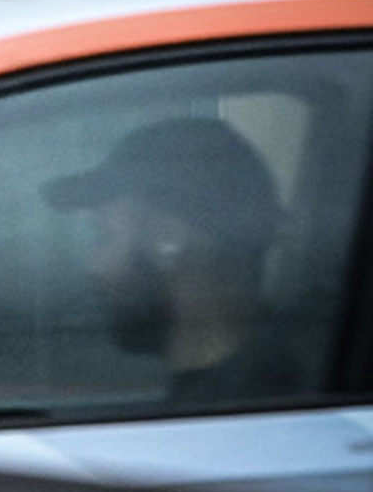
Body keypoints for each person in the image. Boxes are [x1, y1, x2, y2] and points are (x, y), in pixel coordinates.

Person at [45, 116, 302, 405]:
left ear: (170, 240)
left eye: (105, 236)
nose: (93, 267)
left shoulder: (240, 413)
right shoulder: (256, 386)